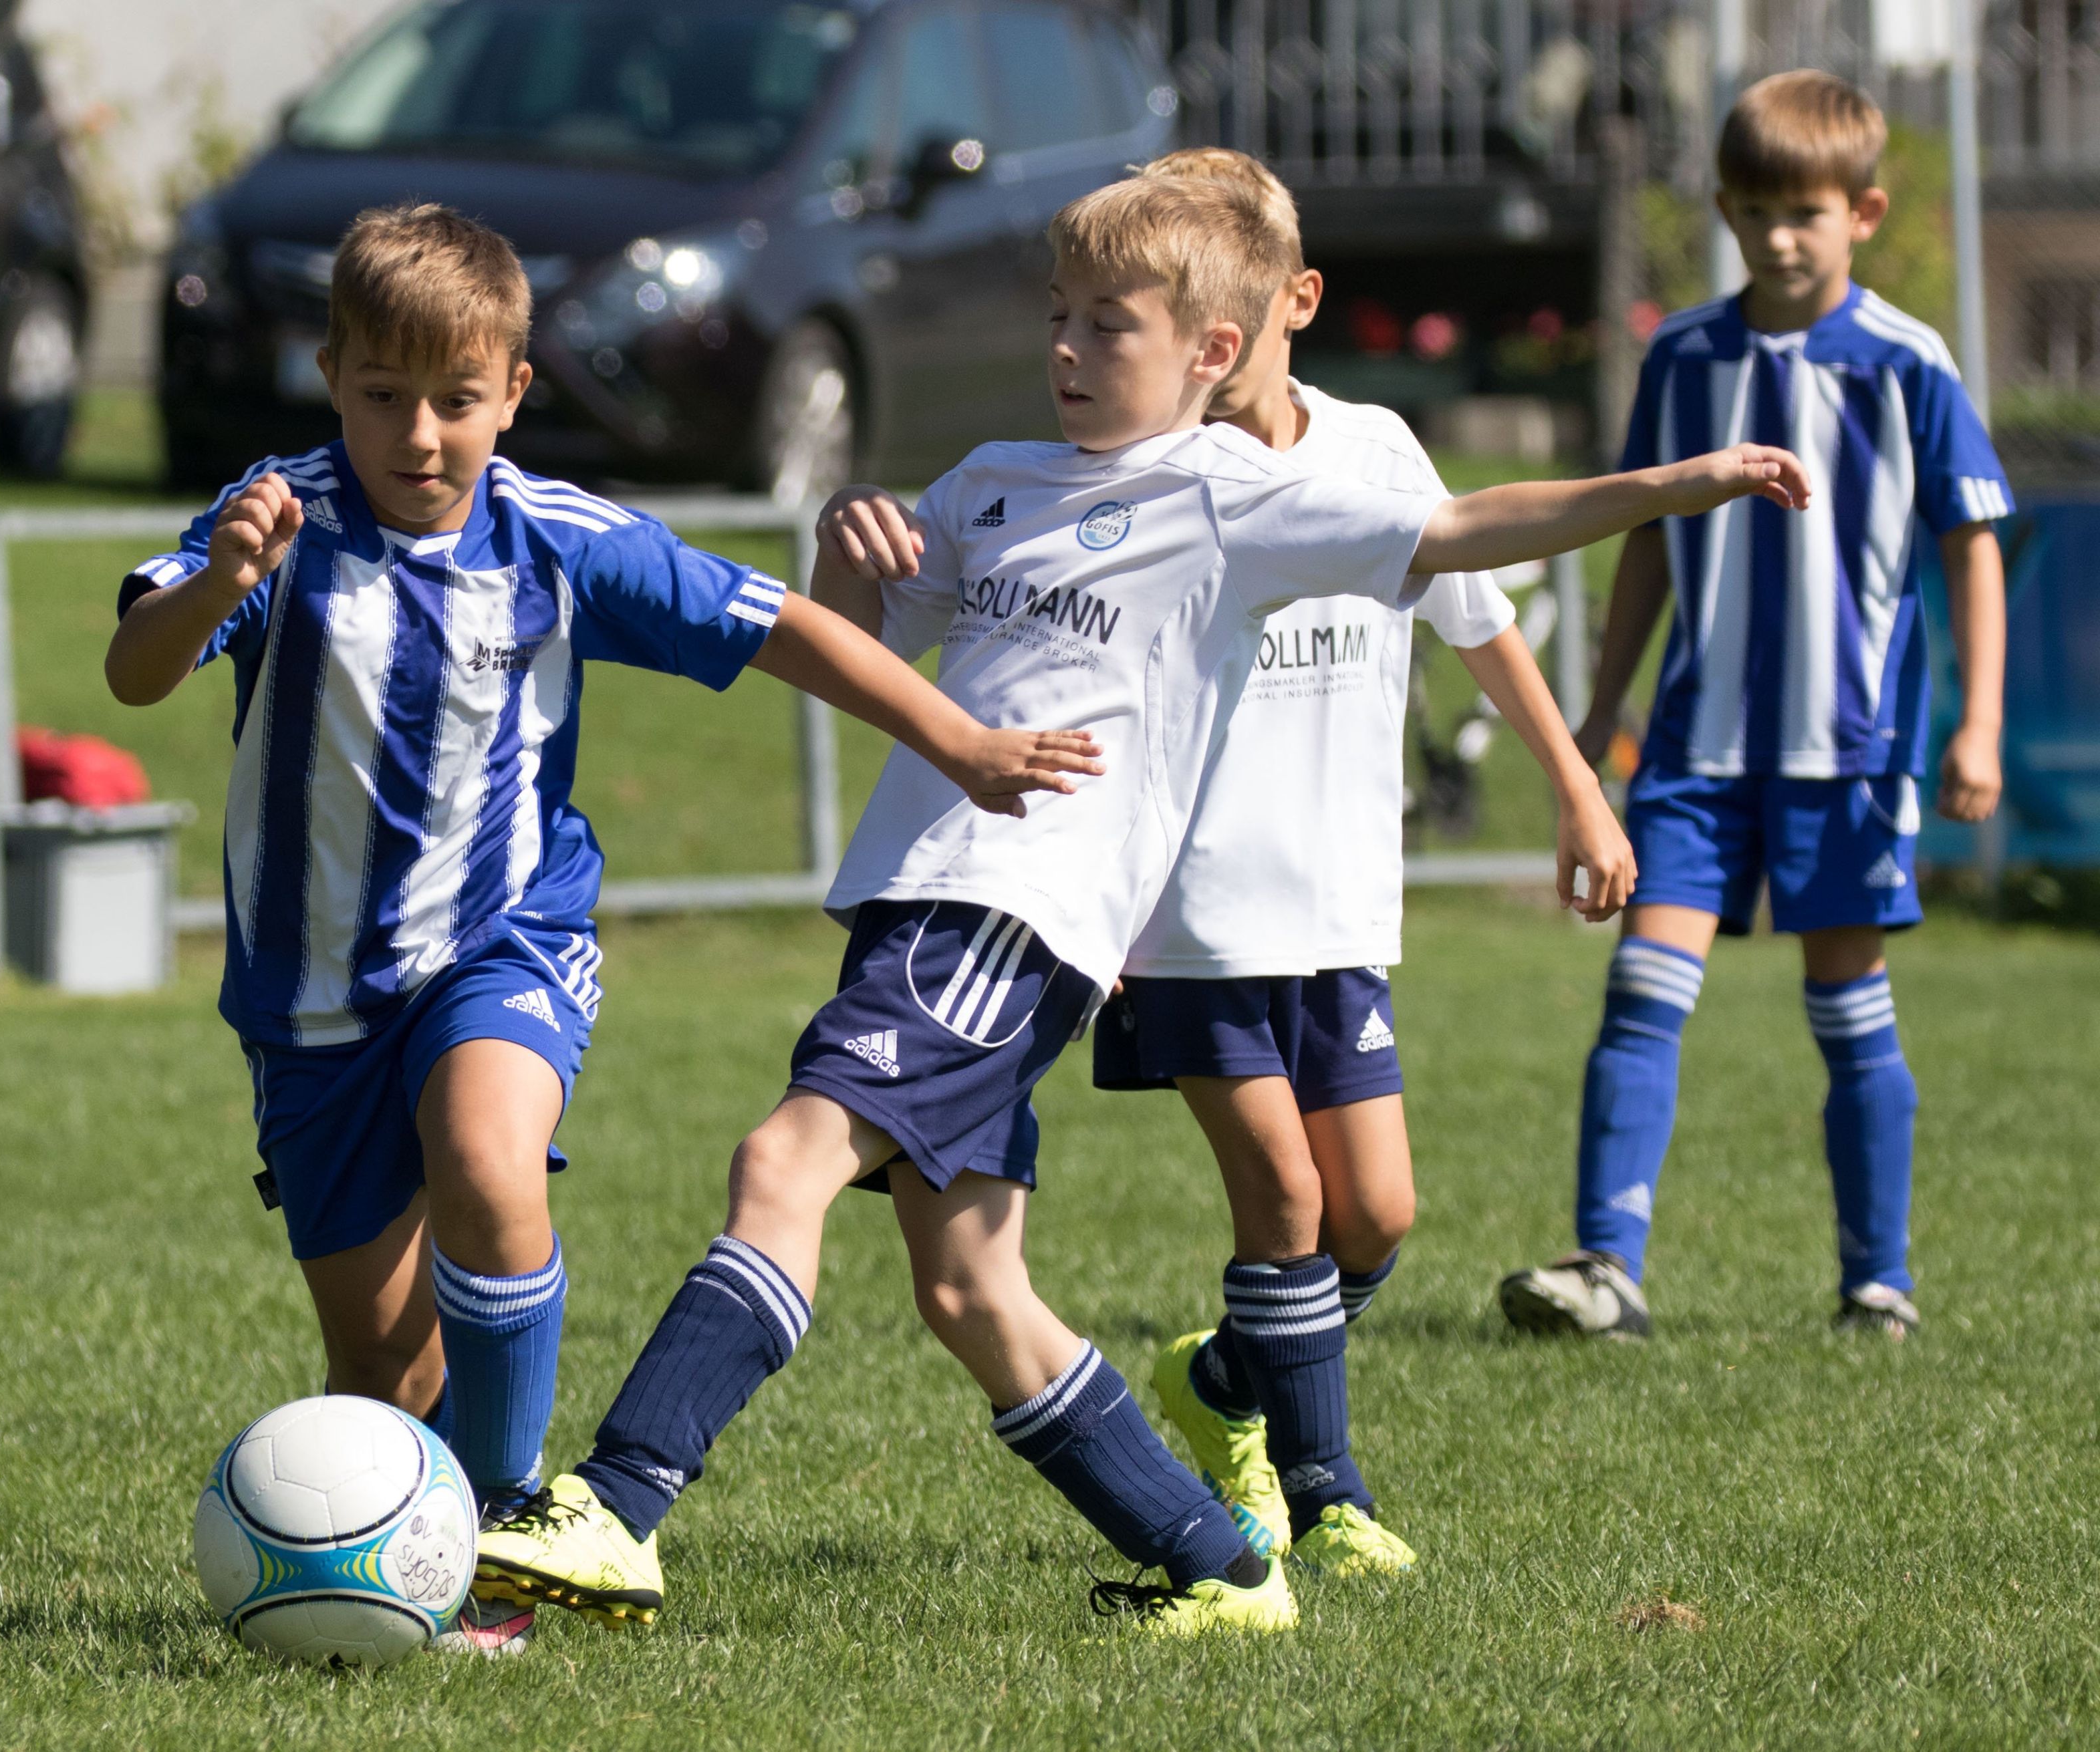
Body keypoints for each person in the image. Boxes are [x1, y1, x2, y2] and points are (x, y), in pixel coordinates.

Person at [473, 173, 1808, 1638]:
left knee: (781, 1163)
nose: (1066, 348)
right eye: (1059, 318)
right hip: (924, 894)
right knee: (975, 1292)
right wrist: (855, 554)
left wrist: (1675, 488)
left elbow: (1465, 529)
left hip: (1011, 904)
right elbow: (890, 655)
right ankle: (1220, 1567)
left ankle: (614, 1501)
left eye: (1108, 326)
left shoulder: (1233, 500)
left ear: (1210, 355)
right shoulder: (987, 481)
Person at [104, 202, 1100, 1655]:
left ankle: (511, 1536)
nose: (421, 434)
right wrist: (217, 584)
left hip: (504, 944)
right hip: (309, 1000)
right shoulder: (278, 515)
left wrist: (958, 739)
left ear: (515, 391)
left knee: (490, 1159)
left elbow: (776, 627)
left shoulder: (558, 539)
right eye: (384, 397)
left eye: (457, 401)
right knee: (381, 1369)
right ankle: (395, 1564)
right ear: (330, 377)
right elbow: (135, 672)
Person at [1087, 148, 1631, 1575]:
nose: (1207, 350)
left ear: (1293, 303)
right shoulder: (1151, 479)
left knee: (1375, 1218)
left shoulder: (1377, 452)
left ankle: (1220, 1390)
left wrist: (1577, 789)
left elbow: (1477, 624)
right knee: (1280, 1196)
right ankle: (1325, 1497)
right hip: (1191, 918)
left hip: (1338, 913)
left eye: (1235, 317)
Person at [1497, 71, 2009, 1342]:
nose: (1782, 236)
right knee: (1642, 990)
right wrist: (1596, 714)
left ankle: (1875, 1283)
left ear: (1865, 213)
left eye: (1810, 212)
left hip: (1852, 755)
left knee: (1847, 1009)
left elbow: (1972, 542)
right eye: (1758, 211)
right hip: (1695, 750)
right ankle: (1607, 1268)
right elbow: (1649, 543)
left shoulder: (1908, 364)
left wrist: (1980, 721)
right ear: (1724, 208)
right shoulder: (1684, 356)